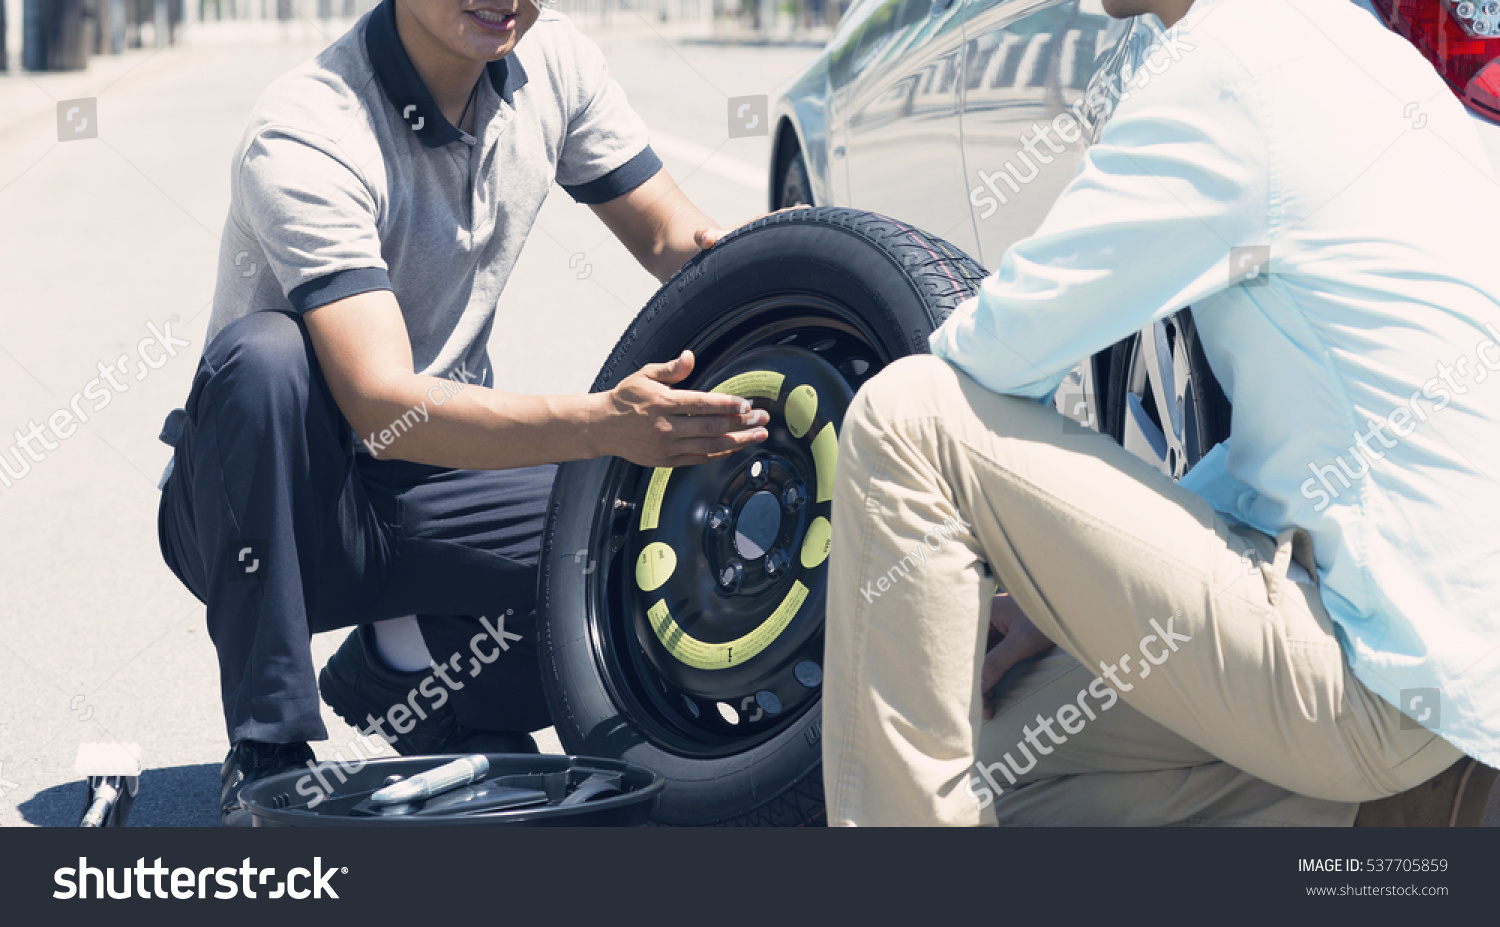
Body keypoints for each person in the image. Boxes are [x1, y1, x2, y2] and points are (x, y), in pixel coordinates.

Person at [823, 0, 1500, 825]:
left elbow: (995, 352)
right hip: (1449, 681)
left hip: (1378, 674)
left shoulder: (1225, 69)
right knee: (998, 760)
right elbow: (1294, 448)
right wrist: (1065, 587)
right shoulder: (1375, 53)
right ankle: (1375, 862)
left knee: (905, 416)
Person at [157, 0, 772, 825]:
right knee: (266, 357)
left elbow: (673, 237)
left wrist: (804, 270)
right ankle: (268, 746)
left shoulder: (553, 62)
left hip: (439, 474)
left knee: (621, 543)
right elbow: (379, 405)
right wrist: (602, 423)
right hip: (277, 501)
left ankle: (410, 665)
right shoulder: (309, 127)